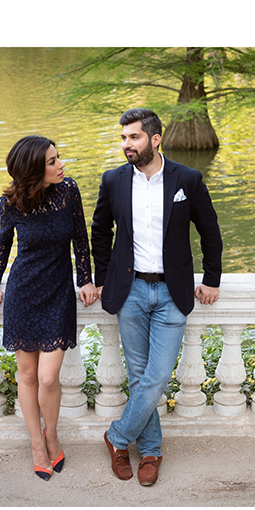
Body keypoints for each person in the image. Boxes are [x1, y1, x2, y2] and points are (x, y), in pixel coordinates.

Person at [91, 108, 223, 486]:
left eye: (133, 137)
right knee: (138, 375)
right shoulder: (113, 180)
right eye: (123, 138)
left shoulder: (187, 179)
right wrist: (102, 279)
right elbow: (100, 231)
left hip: (172, 290)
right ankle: (150, 451)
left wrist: (212, 279)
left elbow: (210, 231)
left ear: (154, 139)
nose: (126, 144)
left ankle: (117, 437)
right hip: (130, 290)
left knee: (159, 375)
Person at [0, 136, 98, 481]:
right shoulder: (11, 203)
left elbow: (81, 238)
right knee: (29, 375)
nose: (60, 165)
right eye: (52, 161)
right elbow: (4, 241)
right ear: (34, 169)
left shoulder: (68, 191)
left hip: (58, 292)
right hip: (23, 292)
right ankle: (36, 443)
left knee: (48, 377)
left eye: (58, 157)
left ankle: (52, 434)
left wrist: (86, 280)